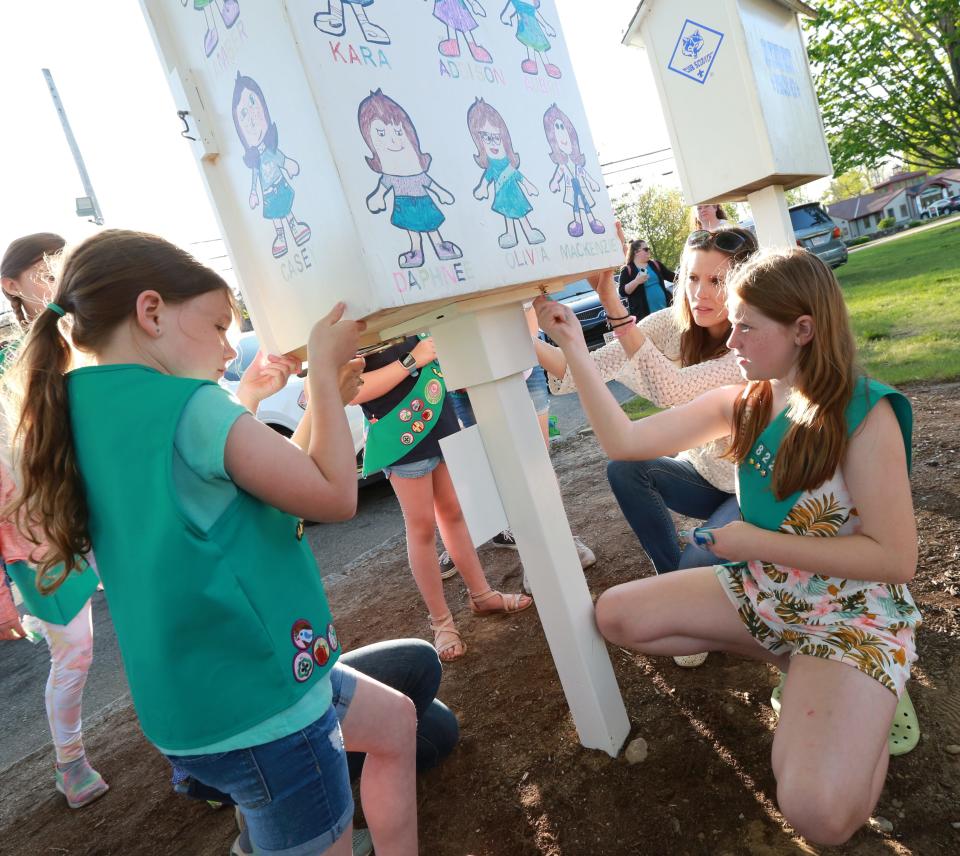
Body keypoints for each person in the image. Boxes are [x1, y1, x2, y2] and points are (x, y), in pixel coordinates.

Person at [6, 229, 418, 855]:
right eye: (220, 324)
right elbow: (335, 495)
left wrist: (321, 402)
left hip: (198, 703)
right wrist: (327, 379)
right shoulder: (191, 405)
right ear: (151, 312)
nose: (229, 349)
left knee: (394, 722)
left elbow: (280, 479)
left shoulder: (73, 408)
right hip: (266, 703)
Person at [536, 246, 921, 846]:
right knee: (615, 614)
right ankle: (798, 666)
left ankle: (874, 686)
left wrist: (758, 540)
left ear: (803, 329)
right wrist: (573, 350)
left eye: (746, 325)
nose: (731, 337)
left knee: (817, 816)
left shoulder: (866, 413)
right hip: (768, 591)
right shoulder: (743, 400)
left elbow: (895, 559)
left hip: (852, 614)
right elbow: (623, 440)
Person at [537, 228, 758, 667]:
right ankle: (672, 582)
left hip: (753, 490)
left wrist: (614, 305)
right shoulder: (675, 326)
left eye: (717, 281)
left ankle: (681, 595)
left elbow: (675, 390)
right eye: (693, 278)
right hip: (706, 478)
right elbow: (573, 372)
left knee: (702, 561)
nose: (700, 293)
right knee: (625, 468)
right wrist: (522, 333)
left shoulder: (750, 342)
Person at [0, 232, 109, 808]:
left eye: (55, 269)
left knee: (154, 620)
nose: (50, 280)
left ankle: (194, 753)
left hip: (103, 511)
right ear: (11, 285)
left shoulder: (89, 338)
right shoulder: (5, 364)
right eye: (38, 272)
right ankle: (69, 764)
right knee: (75, 652)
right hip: (36, 537)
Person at [352, 334, 532, 662]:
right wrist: (412, 360)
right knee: (421, 528)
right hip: (400, 436)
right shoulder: (347, 329)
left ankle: (482, 595)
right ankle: (441, 623)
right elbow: (353, 390)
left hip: (441, 419)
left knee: (453, 512)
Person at [447, 305, 596, 582]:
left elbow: (527, 318)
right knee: (504, 472)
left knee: (538, 464)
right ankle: (534, 557)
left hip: (522, 370)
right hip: (467, 383)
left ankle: (562, 542)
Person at [617, 238, 674, 321]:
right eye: (646, 249)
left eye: (649, 249)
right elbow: (622, 292)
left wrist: (690, 275)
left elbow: (672, 277)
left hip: (666, 311)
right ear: (636, 252)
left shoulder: (655, 264)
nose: (649, 251)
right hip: (644, 317)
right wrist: (636, 281)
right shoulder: (627, 270)